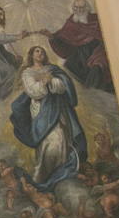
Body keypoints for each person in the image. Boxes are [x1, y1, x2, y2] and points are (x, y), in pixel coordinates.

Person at [10, 46, 88, 189]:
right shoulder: (28, 72)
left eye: (42, 51)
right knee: (49, 142)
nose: (40, 53)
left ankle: (62, 175)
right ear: (31, 55)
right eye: (37, 51)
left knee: (62, 138)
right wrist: (44, 82)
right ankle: (44, 176)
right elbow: (33, 91)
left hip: (58, 109)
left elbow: (62, 86)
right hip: (41, 112)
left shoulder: (52, 69)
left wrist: (52, 80)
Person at [47, 0, 114, 93]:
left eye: (81, 7)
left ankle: (94, 92)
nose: (78, 10)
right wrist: (51, 37)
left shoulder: (96, 19)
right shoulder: (71, 22)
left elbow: (106, 37)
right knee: (69, 65)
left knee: (97, 68)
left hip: (97, 51)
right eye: (76, 8)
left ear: (87, 8)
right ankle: (84, 93)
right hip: (80, 54)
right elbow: (62, 37)